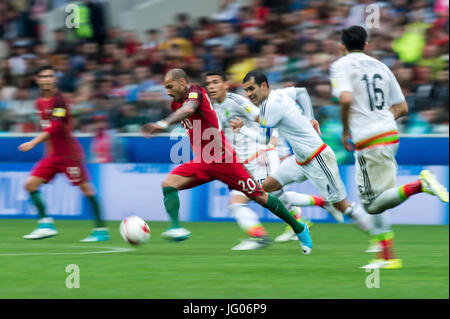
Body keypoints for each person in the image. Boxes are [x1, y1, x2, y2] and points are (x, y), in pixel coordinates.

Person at [141, 68, 313, 254]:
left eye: (170, 86)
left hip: (224, 159)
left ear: (182, 82)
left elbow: (189, 108)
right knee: (168, 184)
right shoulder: (176, 104)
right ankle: (176, 228)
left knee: (260, 196)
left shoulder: (196, 92)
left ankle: (298, 227)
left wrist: (162, 124)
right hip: (204, 161)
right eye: (165, 88)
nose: (167, 91)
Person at [330, 25, 449, 269]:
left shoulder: (340, 66)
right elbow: (402, 108)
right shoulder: (381, 66)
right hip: (390, 135)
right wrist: (381, 122)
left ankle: (420, 184)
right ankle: (387, 257)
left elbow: (345, 98)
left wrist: (345, 130)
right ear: (366, 45)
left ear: (342, 46)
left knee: (372, 204)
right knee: (379, 197)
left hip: (369, 141)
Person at [236, 70, 373, 244]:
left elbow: (265, 139)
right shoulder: (280, 93)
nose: (248, 94)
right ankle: (301, 221)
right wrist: (310, 118)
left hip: (317, 158)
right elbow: (302, 92)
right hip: (300, 159)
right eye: (246, 90)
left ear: (263, 86)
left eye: (251, 89)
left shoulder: (269, 106)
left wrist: (242, 129)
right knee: (266, 187)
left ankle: (378, 237)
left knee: (343, 206)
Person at [204, 70, 327, 250]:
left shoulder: (237, 101)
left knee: (262, 198)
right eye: (209, 83)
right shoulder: (216, 108)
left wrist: (269, 144)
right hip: (245, 162)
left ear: (226, 84)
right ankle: (307, 212)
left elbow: (264, 116)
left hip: (261, 156)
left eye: (216, 82)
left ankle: (269, 233)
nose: (211, 86)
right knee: (252, 200)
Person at [18, 65, 109, 242]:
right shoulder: (39, 102)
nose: (47, 79)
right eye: (43, 76)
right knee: (30, 185)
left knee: (85, 188)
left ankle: (101, 230)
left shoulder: (60, 100)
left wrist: (34, 142)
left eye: (50, 76)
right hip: (52, 155)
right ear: (37, 80)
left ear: (55, 79)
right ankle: (45, 225)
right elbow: (48, 128)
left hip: (68, 154)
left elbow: (56, 126)